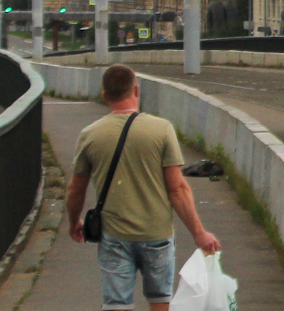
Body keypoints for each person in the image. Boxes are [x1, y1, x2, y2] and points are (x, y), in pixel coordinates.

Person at [66, 64, 221, 311]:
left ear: (105, 96)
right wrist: (199, 234)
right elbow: (178, 189)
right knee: (160, 298)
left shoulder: (90, 135)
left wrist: (74, 221)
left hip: (114, 236)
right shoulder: (161, 130)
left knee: (116, 303)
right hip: (156, 235)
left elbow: (75, 190)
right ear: (136, 90)